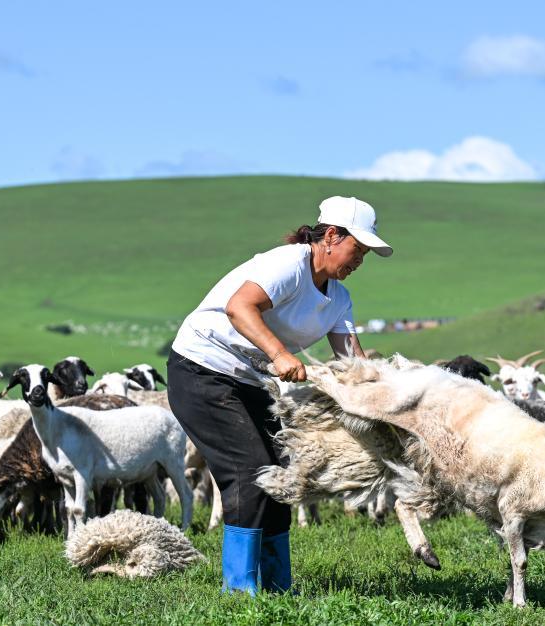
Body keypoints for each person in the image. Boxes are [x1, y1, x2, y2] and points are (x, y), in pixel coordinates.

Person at [167, 195, 392, 595]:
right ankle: (239, 593)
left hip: (249, 382)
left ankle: (277, 589)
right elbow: (240, 307)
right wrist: (280, 353)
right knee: (251, 472)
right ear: (332, 237)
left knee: (282, 477)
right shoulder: (288, 263)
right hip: (202, 370)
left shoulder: (339, 298)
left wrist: (382, 397)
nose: (360, 260)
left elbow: (351, 360)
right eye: (357, 249)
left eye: (365, 254)